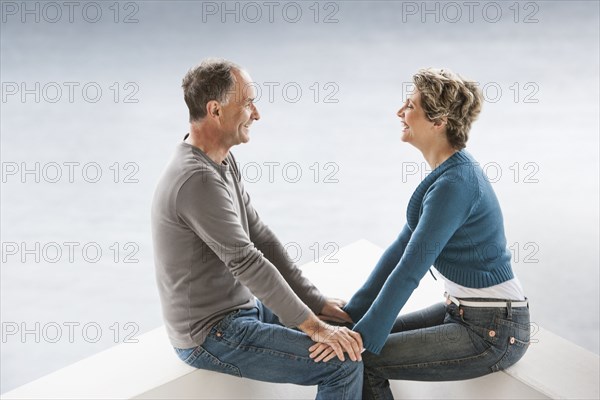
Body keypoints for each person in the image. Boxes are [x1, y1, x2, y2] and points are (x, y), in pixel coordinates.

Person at [308, 68, 530, 400]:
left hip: (493, 330)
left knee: (362, 358)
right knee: (356, 343)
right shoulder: (447, 177)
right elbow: (399, 252)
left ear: (438, 122)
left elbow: (410, 270)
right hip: (463, 313)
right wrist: (352, 316)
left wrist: (361, 340)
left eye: (409, 106)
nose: (400, 113)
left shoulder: (456, 184)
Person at [151, 58, 364, 399]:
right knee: (341, 363)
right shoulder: (196, 179)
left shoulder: (219, 159)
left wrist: (315, 302)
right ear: (215, 110)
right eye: (248, 103)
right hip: (211, 333)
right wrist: (313, 326)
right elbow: (246, 261)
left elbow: (259, 235)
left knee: (351, 333)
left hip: (242, 309)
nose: (257, 114)